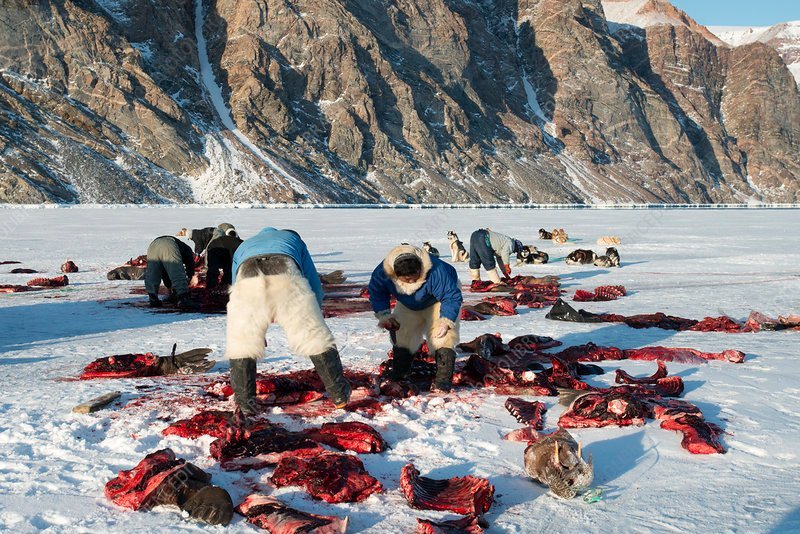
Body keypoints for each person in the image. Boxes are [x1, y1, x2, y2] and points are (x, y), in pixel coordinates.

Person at [224, 227, 351, 414]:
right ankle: (339, 394)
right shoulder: (295, 241)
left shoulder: (245, 244)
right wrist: (314, 311)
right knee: (315, 338)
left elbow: (235, 282)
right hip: (285, 273)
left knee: (243, 343)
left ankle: (245, 403)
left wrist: (254, 325)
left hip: (247, 279)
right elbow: (313, 280)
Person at [368, 244, 463, 392]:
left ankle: (442, 382)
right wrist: (385, 315)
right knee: (403, 335)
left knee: (442, 337)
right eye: (407, 280)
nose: (412, 282)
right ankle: (400, 375)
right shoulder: (383, 272)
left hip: (438, 300)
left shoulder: (437, 270)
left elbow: (450, 296)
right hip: (408, 302)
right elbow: (377, 293)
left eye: (415, 278)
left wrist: (446, 321)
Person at [144, 236, 198, 309]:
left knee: (153, 272)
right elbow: (188, 265)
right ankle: (184, 299)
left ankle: (153, 299)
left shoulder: (182, 247)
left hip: (153, 245)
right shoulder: (188, 250)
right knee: (177, 271)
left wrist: (169, 286)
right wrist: (190, 277)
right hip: (169, 244)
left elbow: (165, 272)